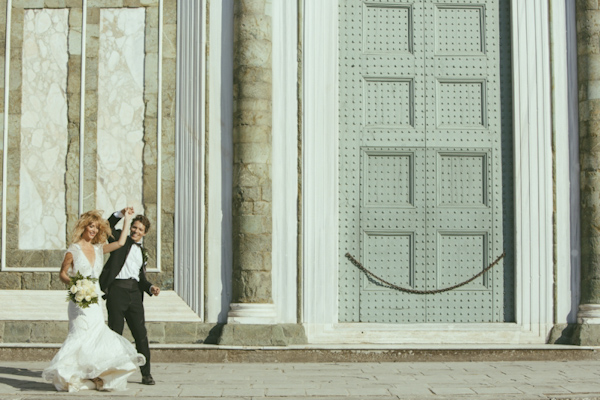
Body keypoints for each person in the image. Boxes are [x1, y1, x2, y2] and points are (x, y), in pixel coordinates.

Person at [43, 209, 145, 392]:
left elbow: (121, 243)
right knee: (80, 335)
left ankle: (91, 375)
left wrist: (126, 218)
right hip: (79, 302)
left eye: (97, 228)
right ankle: (70, 374)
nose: (94, 230)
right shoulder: (73, 250)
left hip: (95, 300)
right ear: (84, 227)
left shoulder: (99, 249)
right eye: (91, 226)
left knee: (95, 335)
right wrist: (76, 284)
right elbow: (62, 274)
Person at [100, 208, 160, 386]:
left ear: (145, 233)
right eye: (134, 227)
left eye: (140, 229)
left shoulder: (143, 252)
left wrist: (150, 288)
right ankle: (112, 374)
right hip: (117, 291)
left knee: (140, 334)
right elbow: (106, 227)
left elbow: (141, 278)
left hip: (135, 294)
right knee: (115, 333)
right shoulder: (120, 239)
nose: (135, 231)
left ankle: (146, 373)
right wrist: (120, 214)